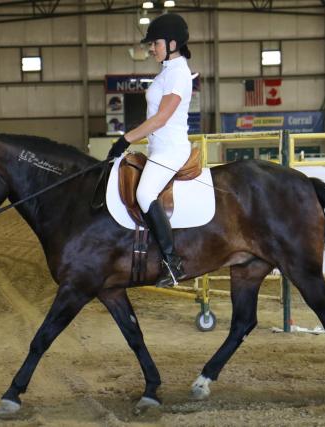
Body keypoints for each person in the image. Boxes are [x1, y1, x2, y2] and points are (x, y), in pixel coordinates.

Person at [107, 13, 192, 288]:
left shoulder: (179, 73)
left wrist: (125, 139)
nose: (151, 48)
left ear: (172, 43)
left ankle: (172, 262)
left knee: (145, 193)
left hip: (171, 150)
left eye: (155, 43)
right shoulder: (167, 71)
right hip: (158, 149)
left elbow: (162, 118)